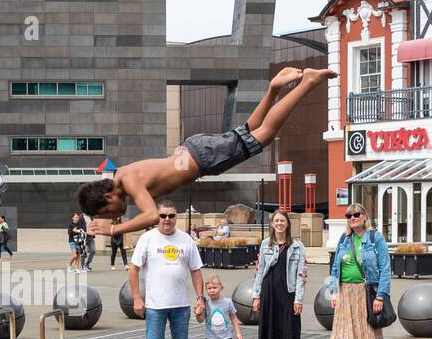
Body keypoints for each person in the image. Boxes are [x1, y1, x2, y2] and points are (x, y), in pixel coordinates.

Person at [79, 66, 336, 238]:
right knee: (248, 131)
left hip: (201, 158)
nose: (114, 215)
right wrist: (112, 223)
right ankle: (274, 88)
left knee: (264, 135)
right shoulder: (126, 181)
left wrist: (114, 230)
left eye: (108, 212)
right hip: (195, 150)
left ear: (108, 197)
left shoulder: (127, 180)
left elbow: (151, 215)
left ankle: (307, 83)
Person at [130, 200, 204, 339]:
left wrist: (200, 297)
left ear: (176, 217)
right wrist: (136, 298)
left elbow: (196, 270)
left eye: (171, 216)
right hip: (156, 304)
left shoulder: (186, 239)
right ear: (158, 217)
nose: (167, 219)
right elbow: (133, 269)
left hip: (180, 303)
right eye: (163, 215)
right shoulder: (147, 238)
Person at [324, 203, 391, 339]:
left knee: (368, 333)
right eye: (348, 215)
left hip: (366, 291)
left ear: (364, 216)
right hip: (346, 292)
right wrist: (333, 291)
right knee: (349, 334)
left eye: (356, 214)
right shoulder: (344, 238)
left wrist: (380, 296)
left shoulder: (375, 237)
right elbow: (335, 268)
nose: (352, 218)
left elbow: (385, 268)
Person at [251, 209, 306, 339]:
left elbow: (301, 275)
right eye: (276, 221)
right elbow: (260, 272)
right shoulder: (266, 244)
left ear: (288, 223)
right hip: (269, 292)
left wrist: (299, 299)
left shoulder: (297, 246)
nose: (280, 224)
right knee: (273, 329)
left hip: (288, 292)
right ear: (272, 224)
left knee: (292, 331)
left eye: (282, 221)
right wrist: (256, 295)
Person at [199, 275, 243, 339]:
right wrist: (198, 313)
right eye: (209, 288)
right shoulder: (205, 303)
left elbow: (234, 318)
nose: (212, 291)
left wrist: (238, 333)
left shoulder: (228, 302)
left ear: (221, 288)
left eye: (215, 288)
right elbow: (201, 319)